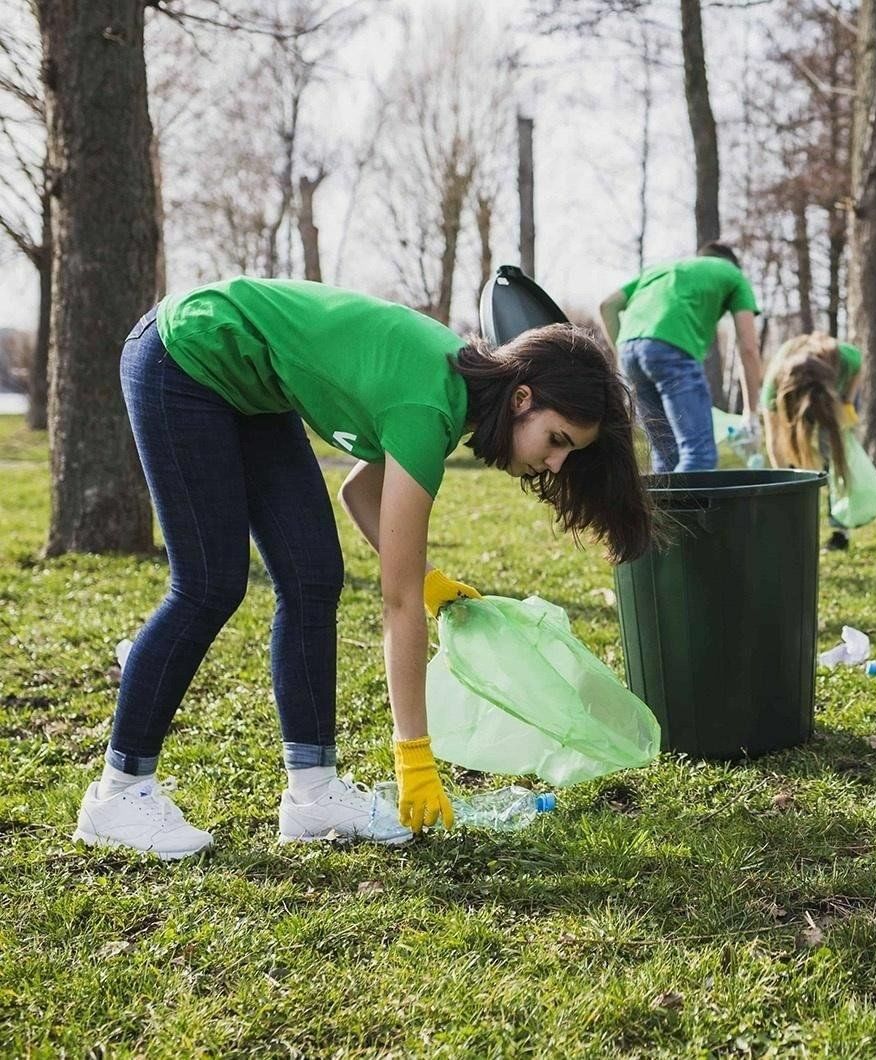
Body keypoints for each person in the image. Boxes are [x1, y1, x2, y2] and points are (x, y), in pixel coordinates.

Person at [74, 277, 652, 859]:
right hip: (186, 353)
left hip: (252, 386)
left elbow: (359, 494)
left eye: (568, 453)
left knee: (312, 577)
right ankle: (117, 795)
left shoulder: (453, 396)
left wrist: (426, 581)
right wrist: (415, 756)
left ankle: (314, 792)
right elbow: (396, 606)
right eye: (557, 440)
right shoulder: (429, 406)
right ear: (523, 397)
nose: (553, 462)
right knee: (208, 584)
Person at [600, 242, 764, 472]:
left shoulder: (660, 270)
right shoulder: (733, 274)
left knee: (666, 455)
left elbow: (607, 306)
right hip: (671, 348)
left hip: (629, 351)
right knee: (699, 455)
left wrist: (624, 356)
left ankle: (662, 510)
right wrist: (751, 412)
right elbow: (748, 347)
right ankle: (690, 510)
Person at [759, 332, 863, 550]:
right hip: (794, 397)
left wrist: (847, 401)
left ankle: (840, 529)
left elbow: (859, 365)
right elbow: (774, 439)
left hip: (833, 395)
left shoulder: (844, 357)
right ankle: (795, 524)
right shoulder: (773, 386)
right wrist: (784, 482)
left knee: (833, 457)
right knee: (795, 457)